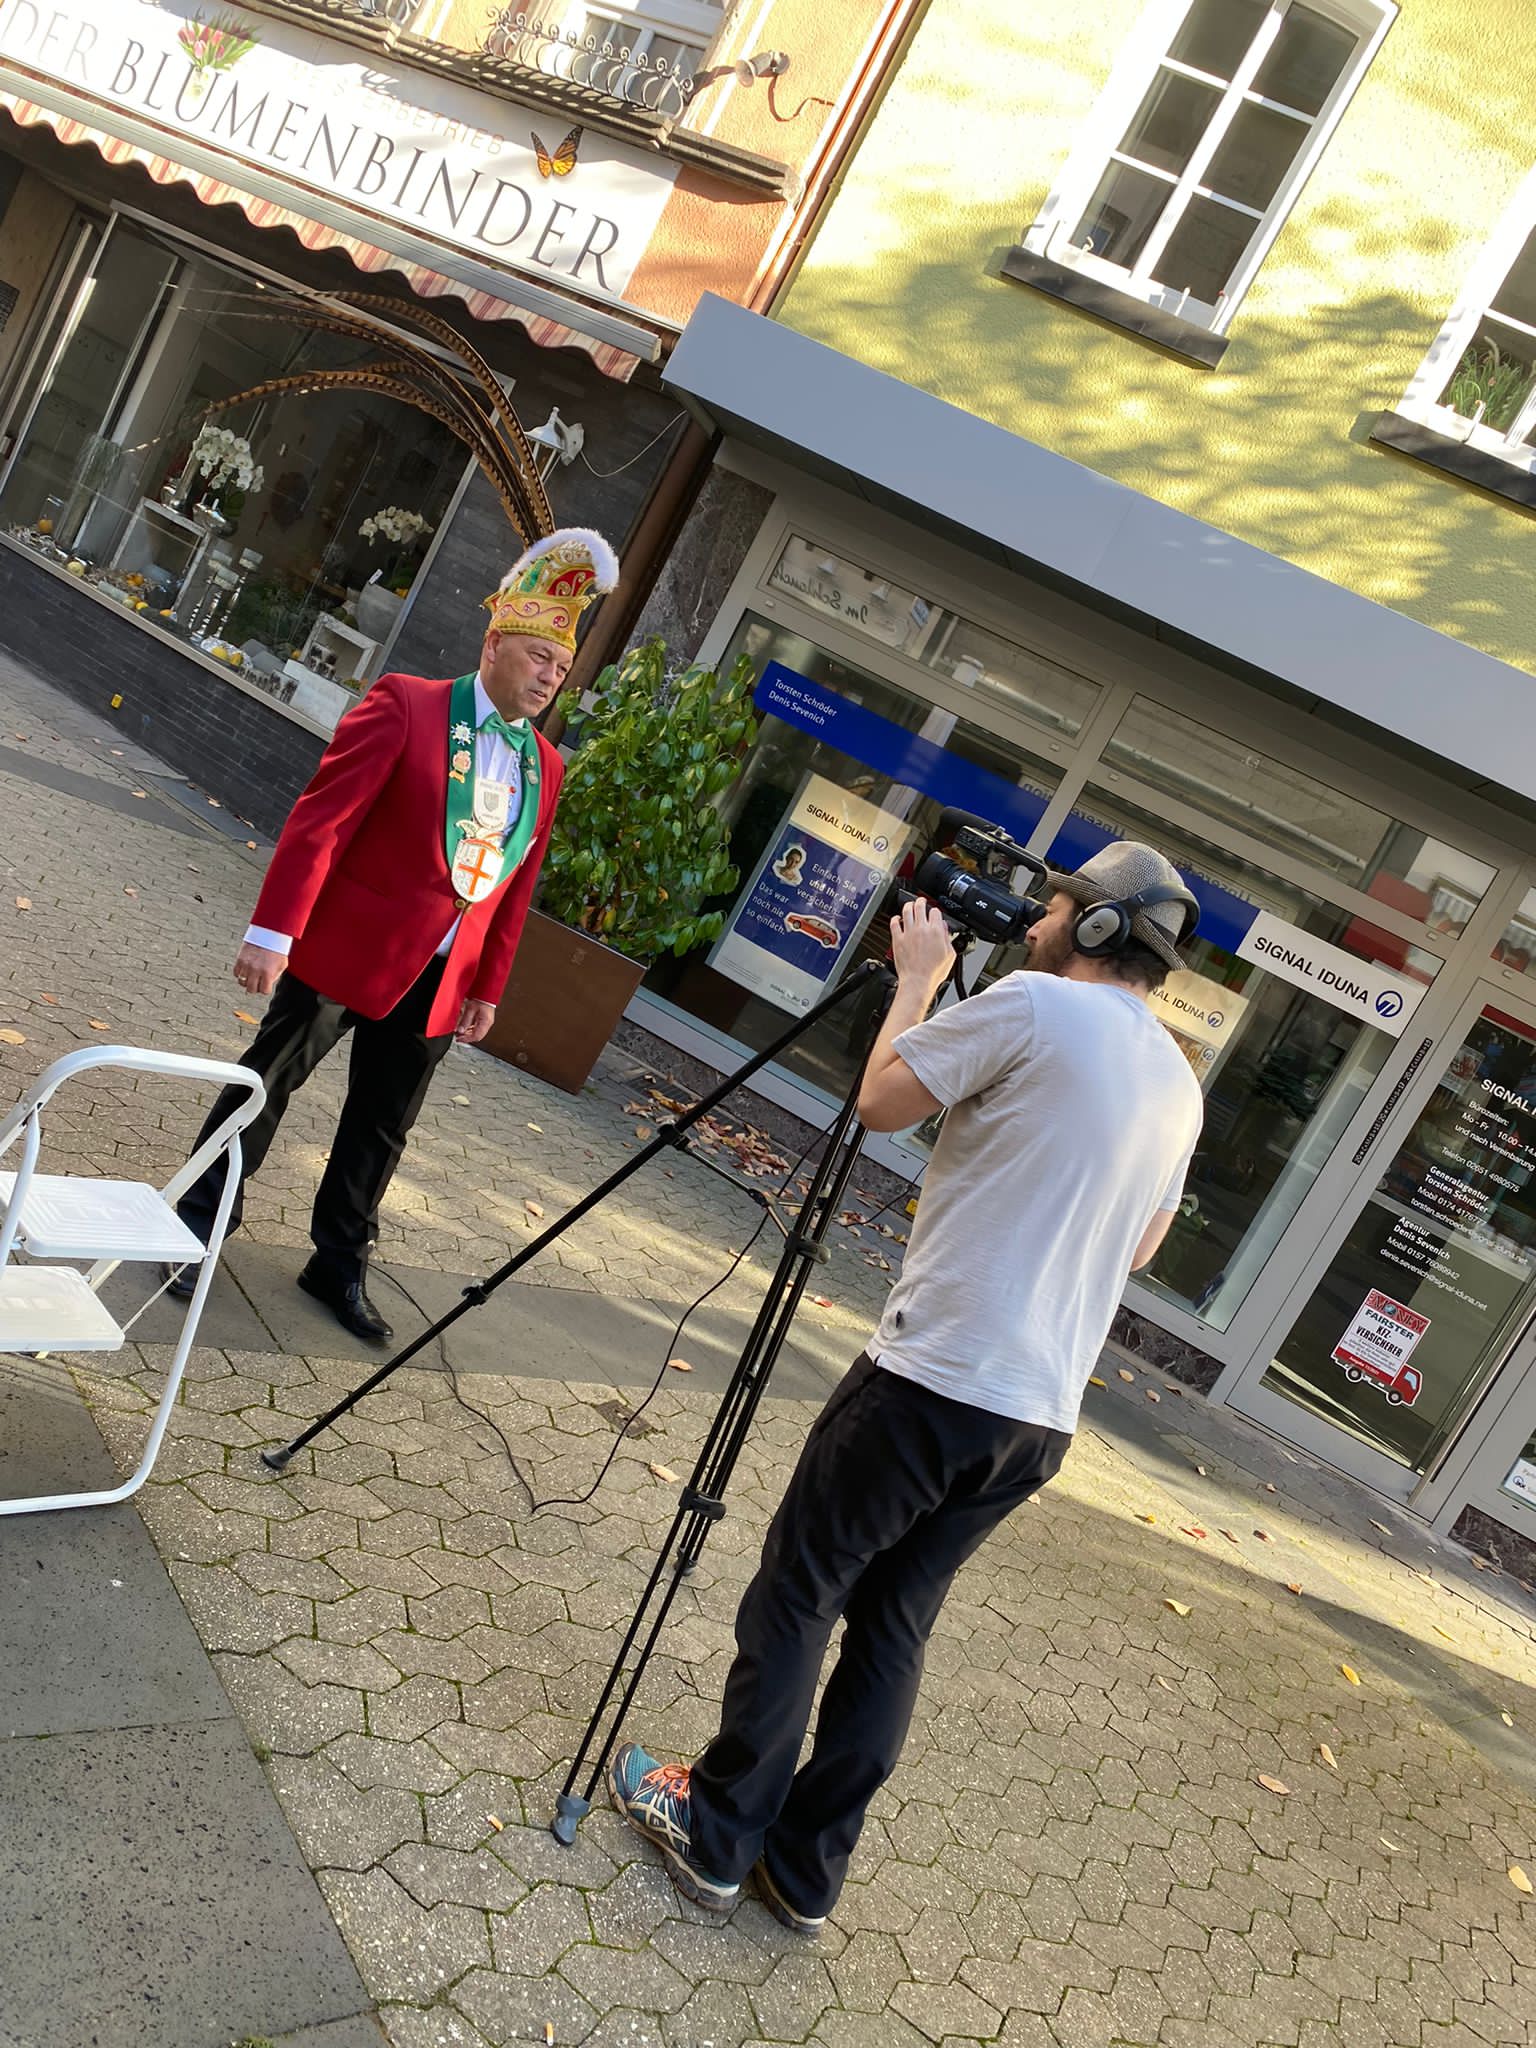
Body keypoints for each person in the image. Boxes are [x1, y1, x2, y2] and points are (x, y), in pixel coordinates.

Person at [607, 838, 1205, 1934]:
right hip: (1037, 1418)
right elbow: (1138, 1247)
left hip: (932, 1378)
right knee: (894, 1624)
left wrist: (920, 981)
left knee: (802, 1589)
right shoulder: (1179, 1083)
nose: (1035, 921)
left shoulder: (1032, 1004)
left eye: (1055, 907)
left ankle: (719, 1832)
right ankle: (806, 1872)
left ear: (1097, 926)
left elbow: (883, 1102)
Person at [166, 527, 619, 1343]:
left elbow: (515, 889)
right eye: (537, 656)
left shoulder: (546, 766)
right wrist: (273, 931)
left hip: (444, 975)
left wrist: (487, 986)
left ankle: (337, 1260)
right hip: (346, 948)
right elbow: (323, 821)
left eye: (561, 666)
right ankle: (194, 1224)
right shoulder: (408, 703)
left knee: (384, 1126)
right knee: (267, 1084)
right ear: (493, 646)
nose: (551, 676)